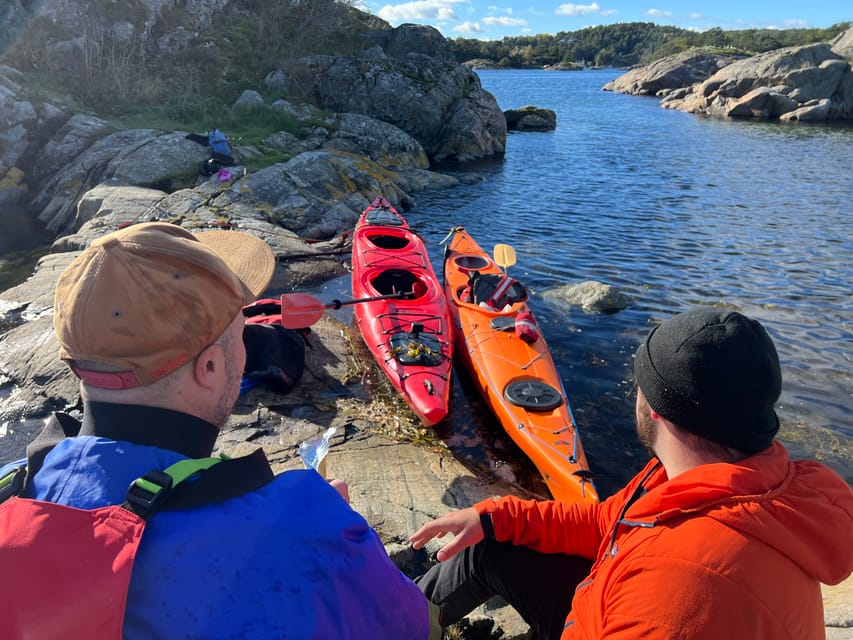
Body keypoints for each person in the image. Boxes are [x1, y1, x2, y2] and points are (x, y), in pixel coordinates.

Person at [0, 222, 434, 639]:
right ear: (209, 367)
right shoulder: (306, 528)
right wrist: (347, 539)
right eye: (241, 335)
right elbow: (416, 626)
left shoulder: (15, 484)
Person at [411, 306, 853, 639]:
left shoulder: (680, 592)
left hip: (615, 613)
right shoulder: (714, 478)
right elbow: (608, 522)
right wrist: (494, 517)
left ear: (659, 410)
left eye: (641, 380)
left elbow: (671, 595)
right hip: (604, 604)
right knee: (488, 542)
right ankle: (395, 619)